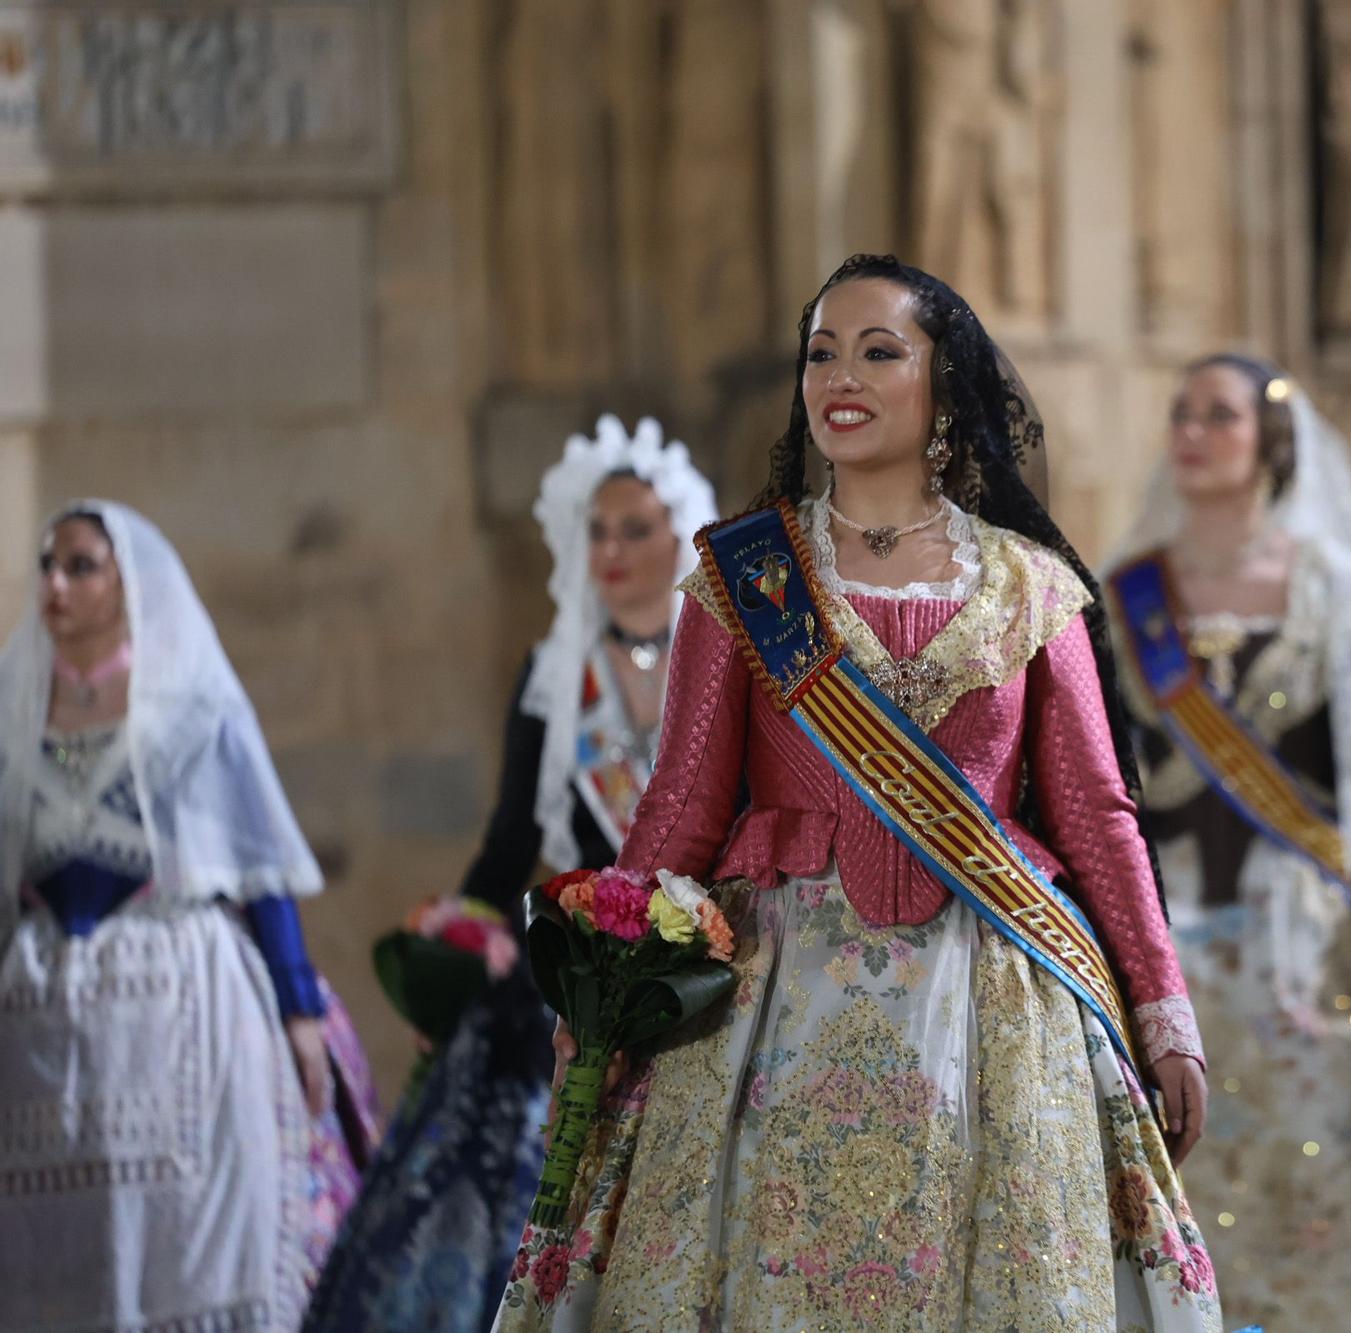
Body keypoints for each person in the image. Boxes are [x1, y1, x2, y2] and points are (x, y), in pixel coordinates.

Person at [494, 254, 1219, 1331]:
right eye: (821, 351)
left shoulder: (1030, 586)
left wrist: (1163, 1016)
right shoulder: (743, 578)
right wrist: (607, 982)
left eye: (880, 351)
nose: (842, 373)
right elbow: (684, 803)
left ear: (944, 383)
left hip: (997, 1004)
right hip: (774, 998)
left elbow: (1095, 812)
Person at [1103, 354, 1351, 1331]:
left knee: (1328, 1198)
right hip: (1170, 946)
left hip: (1320, 948)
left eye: (1219, 415)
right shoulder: (1119, 604)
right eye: (1180, 414)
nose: (1192, 433)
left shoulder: (1343, 594)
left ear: (1271, 444)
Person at [305, 420, 716, 1332]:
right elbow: (508, 838)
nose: (611, 550)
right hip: (577, 972)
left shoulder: (720, 659)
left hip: (705, 956)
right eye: (597, 531)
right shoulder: (555, 673)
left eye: (636, 529)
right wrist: (462, 934)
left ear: (683, 531)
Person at [0, 501, 376, 1330]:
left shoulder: (189, 707)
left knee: (195, 1235)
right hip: (41, 1016)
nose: (55, 584)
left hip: (181, 994)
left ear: (127, 583)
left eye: (81, 565)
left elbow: (258, 862)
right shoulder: (12, 713)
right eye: (47, 564)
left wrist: (298, 1005)